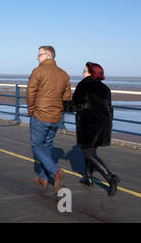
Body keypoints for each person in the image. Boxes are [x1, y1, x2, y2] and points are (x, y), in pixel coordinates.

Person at [63, 62, 120, 196]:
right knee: (91, 150)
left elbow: (75, 106)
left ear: (91, 73)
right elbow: (109, 108)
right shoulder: (105, 88)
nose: (82, 73)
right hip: (103, 124)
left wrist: (59, 103)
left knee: (88, 153)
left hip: (89, 124)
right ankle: (88, 178)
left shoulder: (83, 85)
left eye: (85, 70)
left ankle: (110, 177)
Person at [26, 46, 71, 194]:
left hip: (40, 115)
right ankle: (43, 177)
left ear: (46, 55)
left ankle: (55, 171)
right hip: (55, 117)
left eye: (38, 55)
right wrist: (58, 109)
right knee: (47, 146)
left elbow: (30, 92)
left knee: (36, 146)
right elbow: (66, 97)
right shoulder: (64, 74)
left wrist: (31, 111)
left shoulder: (38, 71)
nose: (37, 58)